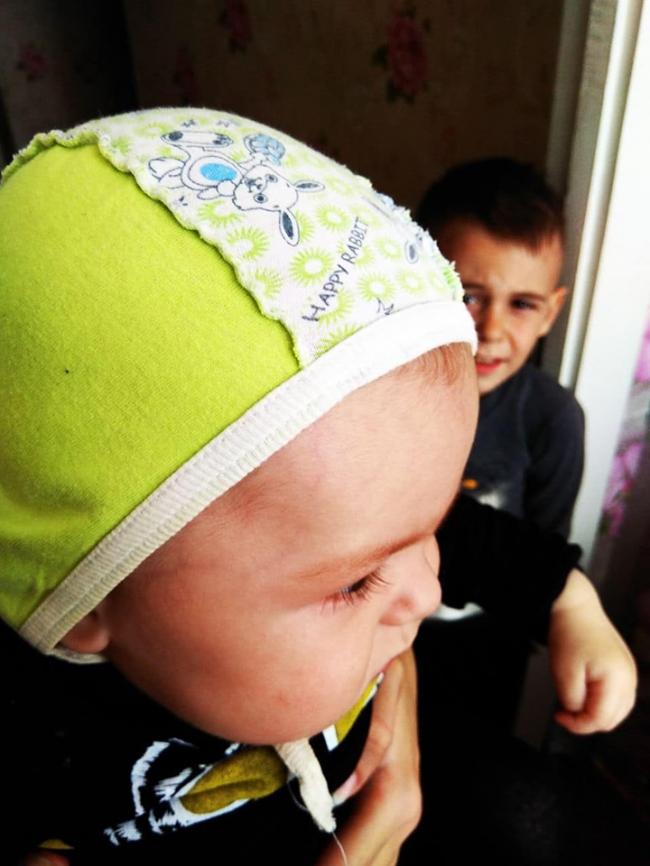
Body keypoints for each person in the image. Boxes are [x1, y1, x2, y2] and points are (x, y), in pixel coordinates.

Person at [0, 109, 635, 866]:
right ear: (79, 600)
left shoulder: (367, 523)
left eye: (425, 530)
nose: (426, 594)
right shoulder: (41, 738)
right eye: (356, 581)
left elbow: (481, 538)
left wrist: (571, 603)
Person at [417, 157, 584, 536]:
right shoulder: (381, 398)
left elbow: (546, 556)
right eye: (469, 297)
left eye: (522, 304)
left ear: (550, 313)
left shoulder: (552, 419)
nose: (491, 331)